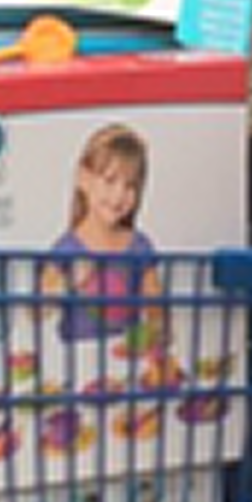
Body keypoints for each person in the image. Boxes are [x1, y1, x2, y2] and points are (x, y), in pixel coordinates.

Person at [45, 122, 161, 344]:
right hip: (77, 364)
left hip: (126, 364)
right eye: (109, 181)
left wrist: (157, 333)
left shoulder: (139, 247)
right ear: (83, 179)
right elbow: (37, 311)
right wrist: (67, 286)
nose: (119, 195)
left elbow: (157, 311)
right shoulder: (67, 249)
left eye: (130, 186)